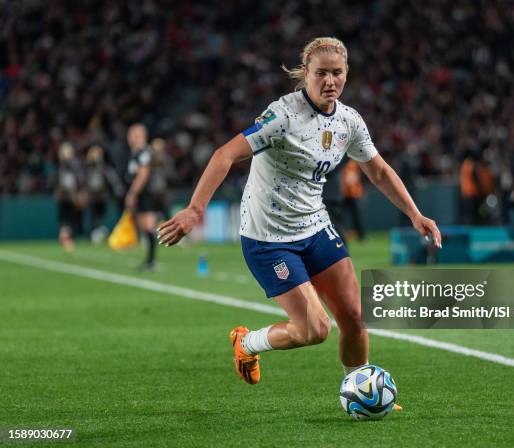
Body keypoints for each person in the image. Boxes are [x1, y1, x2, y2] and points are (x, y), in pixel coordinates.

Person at [157, 37, 441, 392]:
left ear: (346, 74)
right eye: (321, 73)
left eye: (337, 73)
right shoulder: (282, 116)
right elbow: (224, 155)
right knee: (315, 331)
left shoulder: (349, 121)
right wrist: (194, 209)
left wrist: (415, 214)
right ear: (306, 74)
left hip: (315, 227)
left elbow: (379, 171)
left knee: (354, 316)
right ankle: (246, 343)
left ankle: (361, 390)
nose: (330, 81)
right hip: (268, 239)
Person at [125, 123, 159, 270]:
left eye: (132, 134)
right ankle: (149, 260)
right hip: (142, 193)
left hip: (146, 193)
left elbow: (143, 175)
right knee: (144, 226)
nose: (129, 138)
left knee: (148, 225)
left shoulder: (144, 152)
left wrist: (133, 193)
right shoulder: (136, 152)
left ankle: (151, 261)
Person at [54, 142, 84, 252]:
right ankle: (66, 238)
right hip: (68, 196)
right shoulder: (65, 166)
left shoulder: (64, 166)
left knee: (67, 219)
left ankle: (65, 236)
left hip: (67, 196)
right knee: (67, 218)